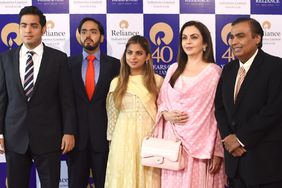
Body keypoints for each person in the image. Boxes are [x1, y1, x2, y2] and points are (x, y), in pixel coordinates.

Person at [0, 6, 76, 188]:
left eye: (33, 25)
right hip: (15, 137)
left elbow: (66, 99)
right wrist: (0, 133)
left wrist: (69, 131)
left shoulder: (59, 59)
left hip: (49, 137)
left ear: (43, 29)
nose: (28, 30)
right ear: (18, 28)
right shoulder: (5, 59)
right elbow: (2, 99)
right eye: (23, 25)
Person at [154, 21, 225, 188]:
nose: (188, 42)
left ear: (205, 44)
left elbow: (219, 113)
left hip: (202, 147)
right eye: (184, 38)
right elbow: (161, 101)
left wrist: (217, 150)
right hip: (172, 145)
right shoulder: (173, 69)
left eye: (194, 37)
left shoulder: (214, 73)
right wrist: (166, 114)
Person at [215, 17, 282, 188]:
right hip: (234, 166)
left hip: (265, 165)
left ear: (257, 38)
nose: (234, 41)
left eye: (240, 36)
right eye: (231, 37)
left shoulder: (276, 67)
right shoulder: (228, 69)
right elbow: (220, 108)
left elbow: (274, 110)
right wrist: (228, 139)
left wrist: (241, 139)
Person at [67, 17, 120, 188]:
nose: (88, 35)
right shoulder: (67, 64)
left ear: (102, 37)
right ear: (79, 36)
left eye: (93, 31)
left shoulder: (115, 65)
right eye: (84, 32)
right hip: (75, 140)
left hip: (104, 140)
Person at [104, 35, 163, 188]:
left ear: (147, 56)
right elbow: (112, 117)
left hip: (149, 138)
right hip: (122, 140)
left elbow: (162, 114)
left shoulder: (157, 81)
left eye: (139, 53)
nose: (133, 57)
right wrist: (113, 145)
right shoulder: (116, 82)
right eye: (129, 53)